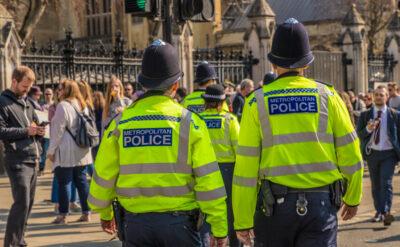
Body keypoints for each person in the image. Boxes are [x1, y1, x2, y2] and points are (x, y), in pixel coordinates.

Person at [232, 18, 363, 247]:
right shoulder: (329, 97)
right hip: (320, 208)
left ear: (273, 64)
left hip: (274, 210)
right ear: (307, 64)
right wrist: (352, 197)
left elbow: (245, 169)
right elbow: (351, 155)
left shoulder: (257, 102)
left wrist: (242, 221)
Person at [88, 39, 228, 247]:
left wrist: (105, 211)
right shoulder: (191, 124)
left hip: (135, 224)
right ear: (175, 85)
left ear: (143, 84)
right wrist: (219, 228)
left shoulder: (120, 124)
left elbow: (103, 174)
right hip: (180, 225)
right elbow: (208, 181)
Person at [0, 66, 45, 247]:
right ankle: (11, 243)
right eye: (24, 86)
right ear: (14, 81)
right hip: (16, 159)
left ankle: (19, 239)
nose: (27, 90)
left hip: (32, 158)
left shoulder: (27, 102)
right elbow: (2, 131)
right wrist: (27, 131)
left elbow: (34, 123)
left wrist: (39, 130)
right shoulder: (3, 101)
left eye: (29, 87)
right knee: (22, 202)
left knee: (28, 204)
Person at [47, 79, 93, 224]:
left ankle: (63, 215)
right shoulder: (82, 105)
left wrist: (51, 150)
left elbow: (58, 131)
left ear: (67, 90)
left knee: (64, 182)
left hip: (66, 150)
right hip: (82, 149)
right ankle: (87, 213)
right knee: (82, 181)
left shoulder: (63, 106)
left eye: (60, 88)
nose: (58, 91)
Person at [200, 84, 240, 247]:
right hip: (227, 171)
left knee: (206, 211)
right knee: (230, 212)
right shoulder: (229, 120)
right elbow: (240, 149)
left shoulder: (198, 120)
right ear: (221, 102)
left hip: (204, 171)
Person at [357, 85, 400, 226]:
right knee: (376, 185)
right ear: (373, 96)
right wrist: (368, 129)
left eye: (382, 95)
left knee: (386, 183)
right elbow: (359, 134)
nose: (379, 97)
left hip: (389, 154)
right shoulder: (365, 115)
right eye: (376, 94)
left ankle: (386, 212)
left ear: (387, 97)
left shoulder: (395, 115)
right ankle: (379, 211)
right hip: (372, 153)